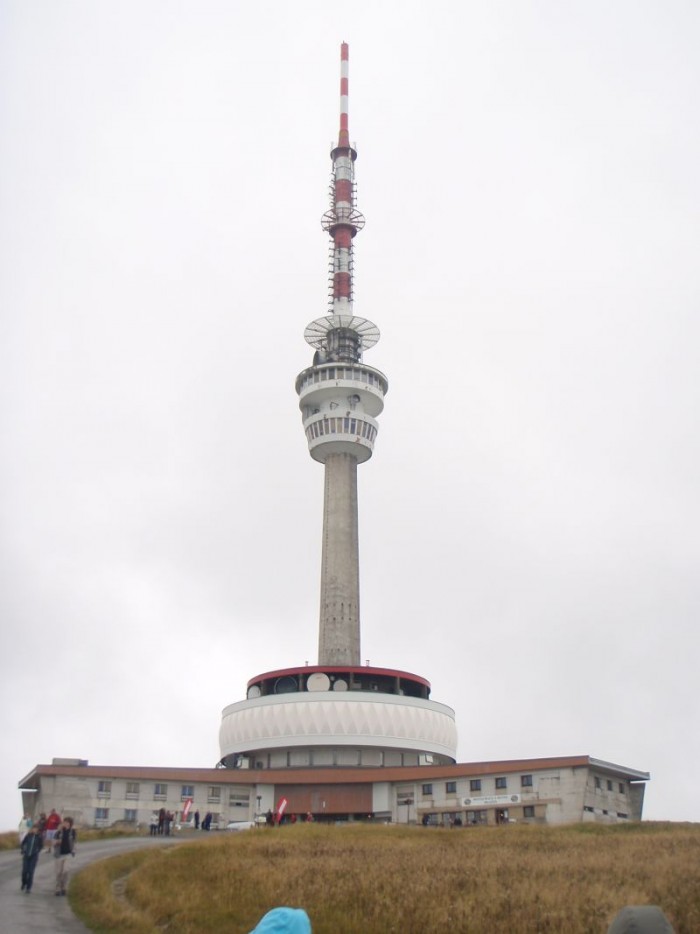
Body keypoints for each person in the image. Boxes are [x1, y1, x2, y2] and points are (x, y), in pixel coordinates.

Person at [53, 816, 76, 896]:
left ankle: (64, 887)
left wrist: (74, 850)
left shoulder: (72, 832)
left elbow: (74, 842)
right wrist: (56, 842)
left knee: (66, 871)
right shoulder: (59, 832)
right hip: (59, 854)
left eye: (67, 822)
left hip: (68, 854)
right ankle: (58, 888)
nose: (65, 824)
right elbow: (54, 842)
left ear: (70, 824)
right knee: (59, 872)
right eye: (64, 822)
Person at [20, 824, 43, 893]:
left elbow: (41, 846)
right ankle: (24, 883)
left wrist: (37, 850)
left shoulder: (39, 837)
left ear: (38, 830)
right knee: (24, 871)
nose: (35, 830)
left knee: (30, 872)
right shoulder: (28, 836)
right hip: (26, 855)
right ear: (32, 829)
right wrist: (23, 850)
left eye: (36, 829)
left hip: (34, 856)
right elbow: (23, 843)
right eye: (34, 828)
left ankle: (28, 888)